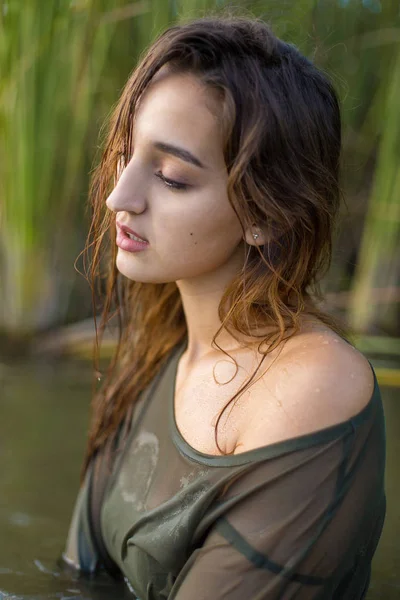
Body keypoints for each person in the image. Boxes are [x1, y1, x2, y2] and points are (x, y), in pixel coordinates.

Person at [62, 14, 386, 600]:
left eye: (171, 176)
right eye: (125, 154)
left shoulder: (313, 387)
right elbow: (77, 575)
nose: (118, 196)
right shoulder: (161, 346)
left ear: (265, 214)